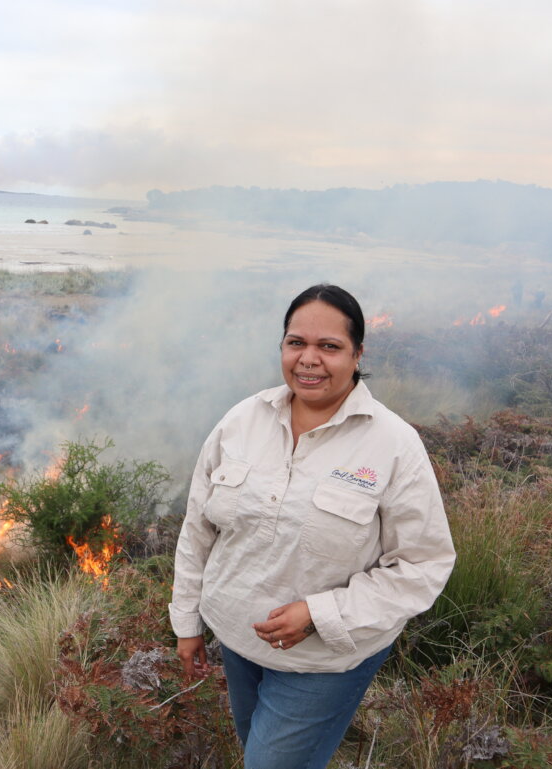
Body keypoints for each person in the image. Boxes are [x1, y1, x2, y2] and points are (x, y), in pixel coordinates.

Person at [170, 284, 455, 769]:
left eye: (329, 346)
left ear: (358, 353)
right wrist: (187, 622)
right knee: (258, 751)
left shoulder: (392, 445)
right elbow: (199, 529)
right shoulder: (242, 420)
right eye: (296, 342)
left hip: (324, 662)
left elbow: (422, 565)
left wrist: (319, 613)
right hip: (237, 639)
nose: (309, 359)